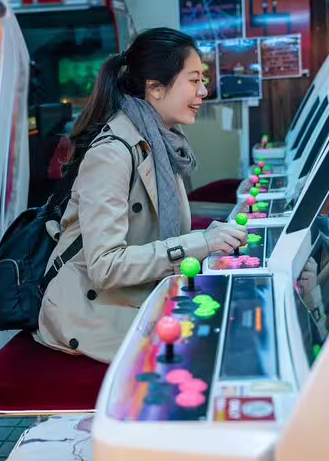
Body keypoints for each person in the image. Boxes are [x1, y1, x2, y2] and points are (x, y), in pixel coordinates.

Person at [34, 28, 247, 363]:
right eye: (194, 81)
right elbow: (106, 267)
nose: (204, 91)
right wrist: (203, 242)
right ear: (155, 88)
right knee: (216, 349)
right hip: (90, 311)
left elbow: (163, 237)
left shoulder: (159, 142)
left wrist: (210, 238)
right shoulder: (113, 154)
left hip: (132, 295)